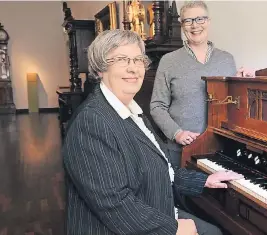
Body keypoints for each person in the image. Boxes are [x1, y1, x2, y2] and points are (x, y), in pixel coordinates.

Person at [62, 29, 243, 235]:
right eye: (122, 59)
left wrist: (204, 180)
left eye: (138, 60)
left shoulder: (133, 111)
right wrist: (175, 228)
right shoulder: (92, 122)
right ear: (101, 68)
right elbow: (115, 205)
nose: (133, 68)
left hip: (155, 211)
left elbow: (163, 170)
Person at [150, 0, 254, 168]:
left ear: (208, 21)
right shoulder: (168, 61)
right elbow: (157, 106)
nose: (195, 25)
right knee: (182, 193)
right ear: (182, 25)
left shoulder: (227, 59)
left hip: (221, 150)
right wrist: (177, 133)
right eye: (188, 20)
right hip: (182, 150)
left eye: (200, 19)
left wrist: (243, 82)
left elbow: (232, 103)